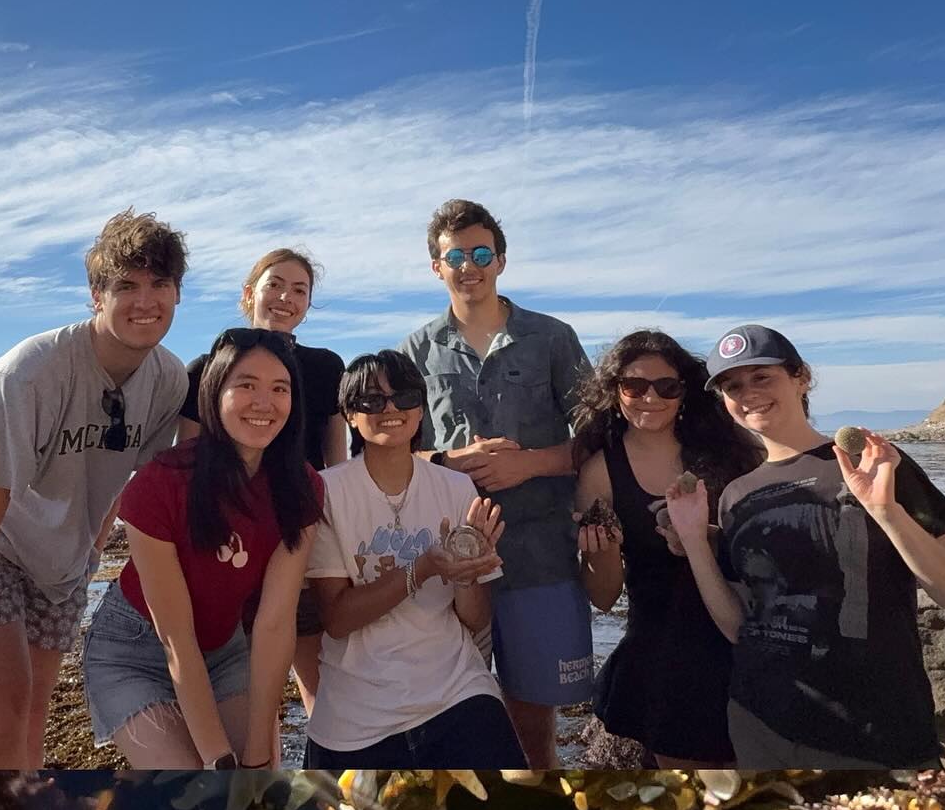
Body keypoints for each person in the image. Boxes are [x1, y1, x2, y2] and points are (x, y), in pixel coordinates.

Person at [0, 209, 190, 769]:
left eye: (159, 284)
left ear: (177, 293)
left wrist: (90, 554)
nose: (145, 301)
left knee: (33, 715)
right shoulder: (27, 374)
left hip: (59, 548)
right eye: (126, 286)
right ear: (96, 295)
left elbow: (124, 480)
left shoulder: (168, 380)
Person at [663, 324, 945, 771]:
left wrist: (886, 511)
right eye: (732, 386)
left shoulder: (871, 465)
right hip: (761, 728)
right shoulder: (737, 494)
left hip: (876, 736)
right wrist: (695, 540)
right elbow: (740, 628)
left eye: (762, 377)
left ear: (801, 378)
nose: (748, 393)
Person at [399, 199, 593, 767]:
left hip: (541, 556)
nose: (469, 266)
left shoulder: (552, 338)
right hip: (449, 563)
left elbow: (599, 439)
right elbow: (393, 451)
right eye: (455, 256)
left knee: (533, 727)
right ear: (436, 267)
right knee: (448, 719)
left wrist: (528, 464)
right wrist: (449, 459)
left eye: (481, 254)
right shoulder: (415, 350)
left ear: (501, 261)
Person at [82, 328, 322, 769]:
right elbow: (176, 638)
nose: (264, 403)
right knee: (197, 784)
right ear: (214, 393)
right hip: (133, 650)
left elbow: (274, 624)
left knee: (258, 782)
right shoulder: (161, 483)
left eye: (279, 389)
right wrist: (218, 760)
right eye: (246, 385)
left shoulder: (301, 486)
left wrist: (256, 757)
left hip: (224, 648)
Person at [301, 350, 525, 769]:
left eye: (404, 397)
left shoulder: (457, 488)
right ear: (350, 415)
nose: (390, 409)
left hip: (457, 690)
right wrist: (423, 568)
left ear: (420, 409)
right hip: (354, 711)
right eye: (371, 400)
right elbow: (337, 618)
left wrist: (467, 571)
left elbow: (475, 619)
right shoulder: (326, 492)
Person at [572, 330, 761, 764]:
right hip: (663, 650)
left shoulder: (734, 450)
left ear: (684, 392)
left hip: (745, 631)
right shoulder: (601, 471)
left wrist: (707, 536)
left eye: (666, 387)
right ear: (615, 392)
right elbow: (604, 598)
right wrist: (602, 552)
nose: (650, 398)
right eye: (634, 386)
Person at [177, 248, 344, 714]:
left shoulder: (325, 368)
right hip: (227, 544)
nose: (286, 298)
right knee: (240, 686)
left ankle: (324, 759)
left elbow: (335, 462)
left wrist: (336, 534)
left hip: (300, 534)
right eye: (275, 285)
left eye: (300, 290)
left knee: (320, 681)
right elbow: (185, 463)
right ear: (250, 293)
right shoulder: (204, 370)